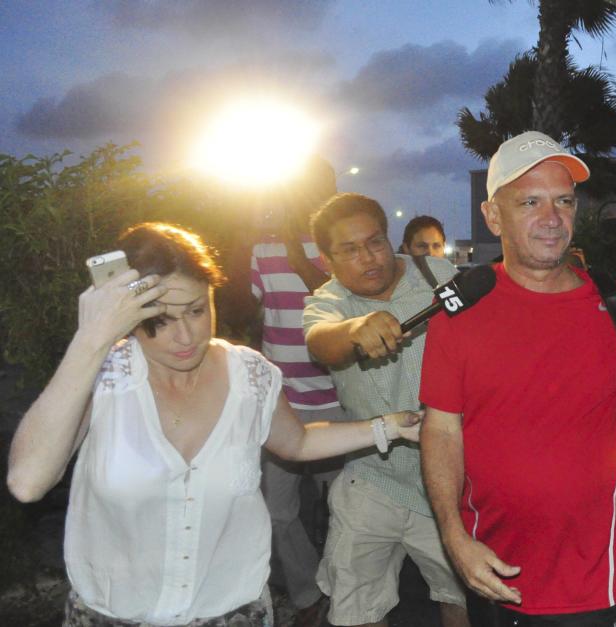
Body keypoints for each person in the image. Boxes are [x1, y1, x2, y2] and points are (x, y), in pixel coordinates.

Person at [6, 222, 421, 626]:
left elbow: (297, 444)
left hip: (232, 613)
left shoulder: (249, 375)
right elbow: (28, 481)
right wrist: (90, 340)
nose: (186, 336)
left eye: (196, 310)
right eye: (162, 320)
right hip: (110, 615)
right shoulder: (102, 374)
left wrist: (390, 426)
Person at [418, 130, 616, 625]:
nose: (552, 219)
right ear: (493, 216)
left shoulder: (613, 303)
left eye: (563, 201)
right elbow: (440, 427)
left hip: (597, 573)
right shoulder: (459, 313)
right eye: (530, 201)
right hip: (494, 567)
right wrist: (453, 535)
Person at [302, 194, 468, 627]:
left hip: (449, 477)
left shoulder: (438, 276)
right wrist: (355, 329)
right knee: (355, 608)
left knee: (462, 596)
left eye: (374, 242)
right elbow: (321, 339)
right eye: (349, 251)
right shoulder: (329, 301)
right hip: (371, 477)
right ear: (326, 259)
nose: (368, 258)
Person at [250, 157, 345, 627]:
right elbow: (244, 303)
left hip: (338, 402)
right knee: (278, 511)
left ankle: (342, 591)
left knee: (346, 510)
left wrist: (295, 249)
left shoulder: (340, 251)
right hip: (282, 404)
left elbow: (334, 293)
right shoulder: (262, 248)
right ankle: (308, 595)